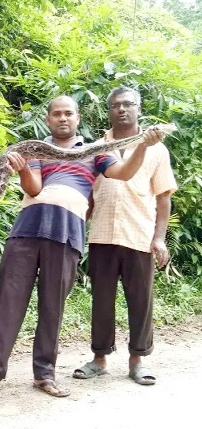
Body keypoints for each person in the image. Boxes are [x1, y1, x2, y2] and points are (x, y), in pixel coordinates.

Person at [0, 95, 165, 398]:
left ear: (78, 119)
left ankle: (44, 375)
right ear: (48, 119)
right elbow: (34, 188)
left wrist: (142, 146)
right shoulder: (36, 150)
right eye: (56, 114)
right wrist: (22, 169)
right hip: (27, 230)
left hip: (66, 235)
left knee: (52, 308)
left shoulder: (94, 153)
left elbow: (124, 174)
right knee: (10, 303)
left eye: (68, 113)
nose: (63, 118)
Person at [73, 87, 177, 385]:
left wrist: (159, 238)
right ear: (108, 111)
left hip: (139, 234)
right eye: (115, 105)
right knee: (101, 300)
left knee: (140, 300)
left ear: (139, 109)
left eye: (128, 104)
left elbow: (163, 197)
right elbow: (87, 195)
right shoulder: (95, 148)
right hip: (102, 234)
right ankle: (99, 358)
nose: (122, 109)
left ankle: (137, 360)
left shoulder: (157, 149)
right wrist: (78, 227)